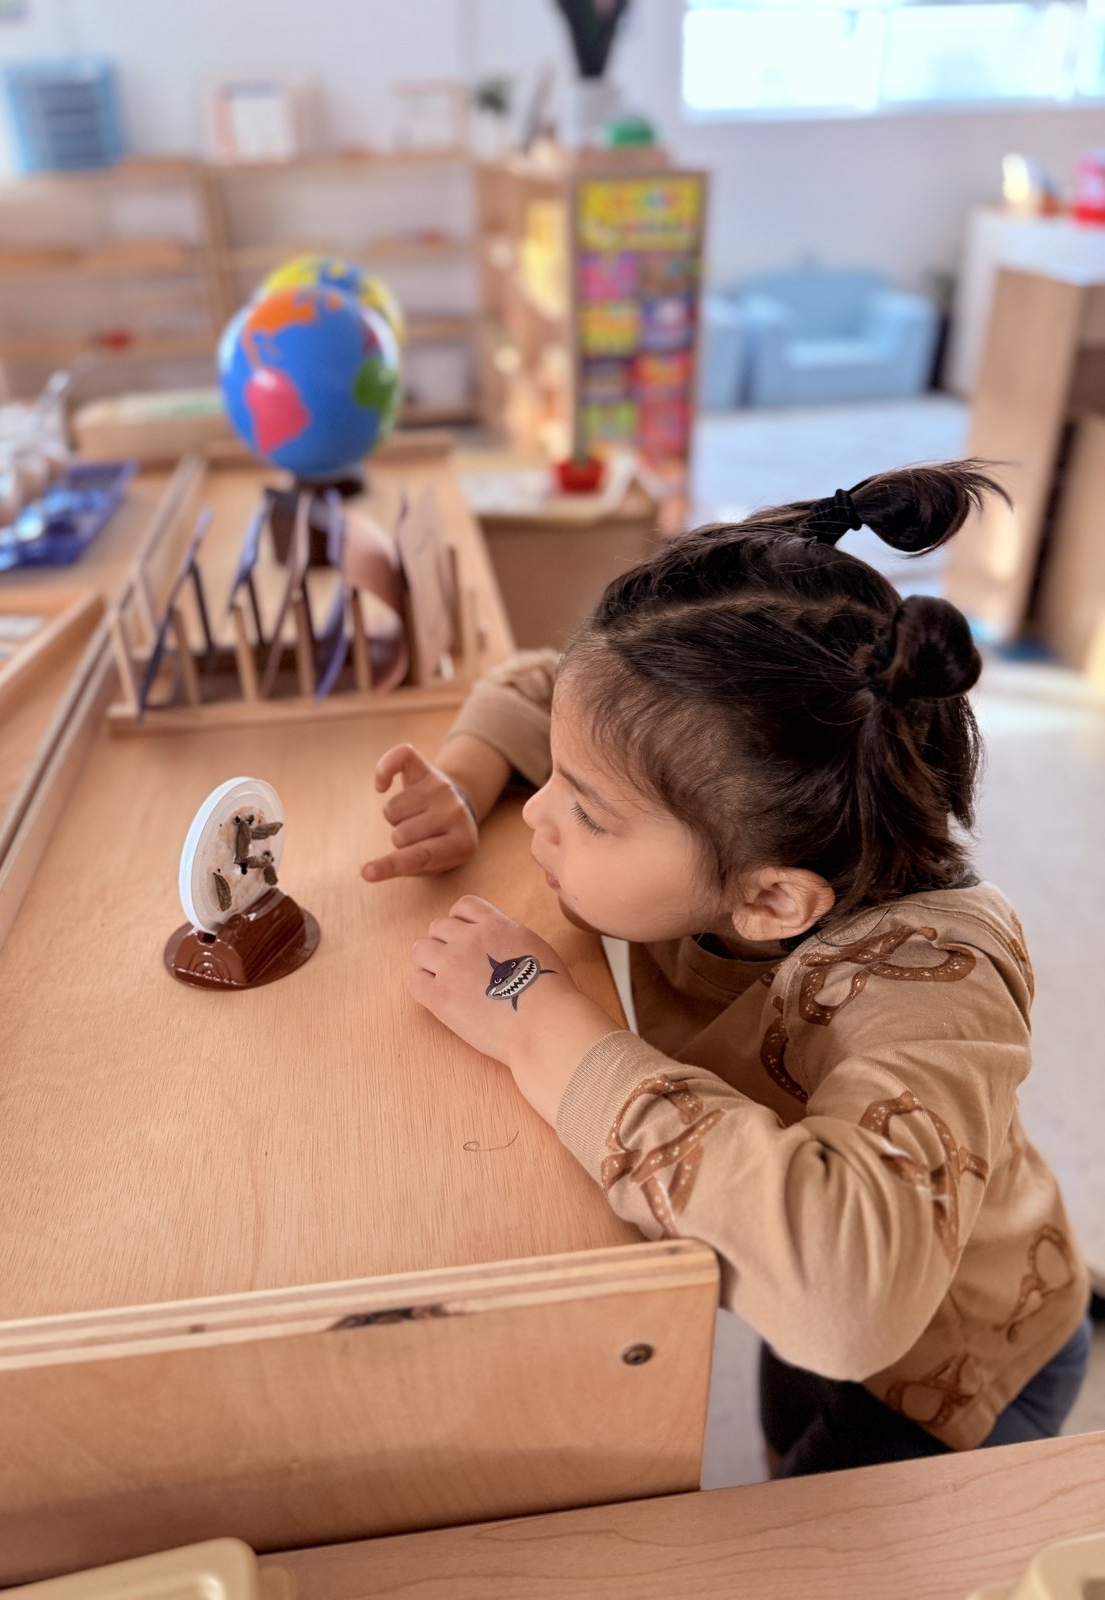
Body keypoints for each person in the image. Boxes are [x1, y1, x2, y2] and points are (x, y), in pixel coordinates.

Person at [361, 462, 1091, 1477]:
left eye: (588, 811)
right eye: (555, 783)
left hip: (965, 1366)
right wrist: (465, 772)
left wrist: (544, 1026)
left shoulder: (940, 986)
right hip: (799, 1254)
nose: (538, 816)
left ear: (770, 901)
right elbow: (554, 682)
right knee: (779, 1423)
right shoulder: (737, 811)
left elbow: (849, 1298)